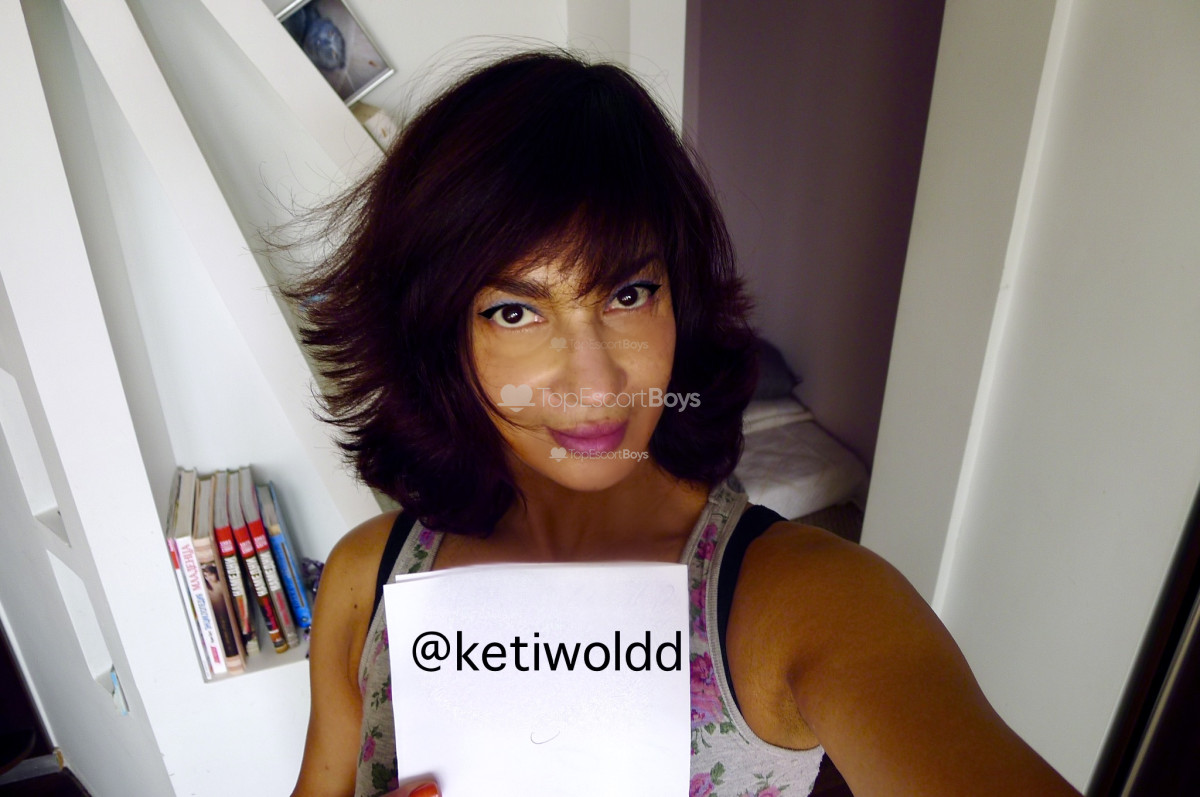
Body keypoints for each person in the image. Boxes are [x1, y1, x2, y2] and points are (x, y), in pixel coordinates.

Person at [286, 50, 1079, 797]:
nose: (595, 383)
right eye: (516, 311)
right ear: (438, 337)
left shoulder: (805, 600)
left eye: (627, 295)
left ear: (681, 302)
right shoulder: (366, 579)